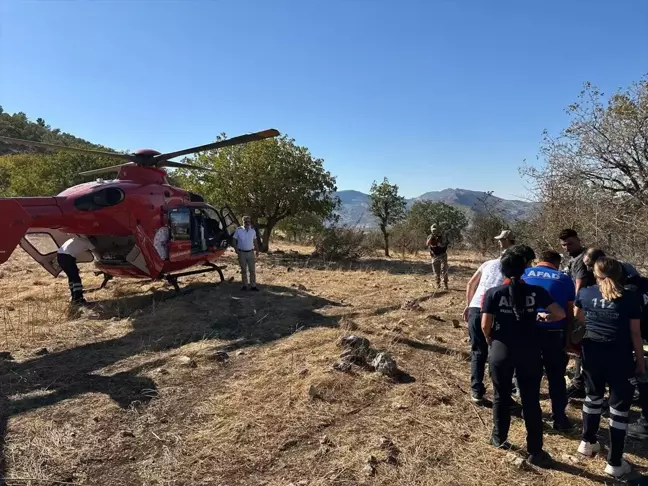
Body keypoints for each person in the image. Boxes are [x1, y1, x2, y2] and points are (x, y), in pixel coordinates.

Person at [481, 247, 565, 468]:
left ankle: (499, 438)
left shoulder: (493, 293)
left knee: (501, 396)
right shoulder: (536, 292)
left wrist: (491, 339)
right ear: (526, 269)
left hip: (501, 349)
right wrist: (542, 317)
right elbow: (561, 314)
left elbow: (485, 325)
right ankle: (535, 450)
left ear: (504, 270)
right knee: (531, 400)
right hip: (529, 351)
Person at [574, 257, 645, 478]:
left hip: (592, 353)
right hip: (619, 356)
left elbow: (578, 318)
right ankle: (614, 462)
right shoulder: (631, 297)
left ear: (595, 273)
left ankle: (587, 442)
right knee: (618, 408)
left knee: (592, 397)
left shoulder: (585, 293)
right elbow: (635, 334)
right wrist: (640, 363)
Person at [522, 249, 576, 431]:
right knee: (556, 377)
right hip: (554, 332)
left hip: (528, 332)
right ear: (557, 263)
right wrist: (569, 338)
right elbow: (569, 312)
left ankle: (530, 415)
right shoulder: (564, 278)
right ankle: (559, 418)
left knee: (530, 375)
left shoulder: (524, 272)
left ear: (539, 261)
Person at [463, 230, 517, 403]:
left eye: (502, 240)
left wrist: (469, 304)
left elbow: (471, 283)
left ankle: (476, 390)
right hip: (495, 310)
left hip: (476, 307)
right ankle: (502, 392)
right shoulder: (513, 268)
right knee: (498, 351)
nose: (500, 243)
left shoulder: (487, 263)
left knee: (478, 351)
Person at [560, 229, 593, 399]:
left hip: (582, 307)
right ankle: (580, 381)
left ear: (578, 240)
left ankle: (579, 384)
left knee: (579, 344)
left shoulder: (581, 259)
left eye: (570, 243)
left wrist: (574, 309)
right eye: (564, 244)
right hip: (580, 305)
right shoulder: (573, 258)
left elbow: (578, 285)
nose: (566, 247)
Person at [57, 235, 95, 305]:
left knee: (71, 277)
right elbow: (96, 251)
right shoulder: (88, 242)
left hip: (60, 255)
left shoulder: (76, 238)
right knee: (76, 279)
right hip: (67, 257)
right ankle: (79, 299)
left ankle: (74, 297)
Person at [233, 216, 260, 291]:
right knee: (243, 270)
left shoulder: (253, 231)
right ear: (243, 222)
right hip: (241, 253)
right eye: (245, 222)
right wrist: (236, 249)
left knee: (252, 270)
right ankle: (244, 285)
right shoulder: (238, 230)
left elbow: (255, 241)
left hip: (251, 252)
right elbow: (234, 240)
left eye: (248, 221)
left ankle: (253, 286)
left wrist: (257, 250)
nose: (247, 223)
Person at [426, 225, 449, 290]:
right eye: (433, 230)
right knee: (436, 272)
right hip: (434, 256)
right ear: (431, 230)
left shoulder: (442, 237)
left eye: (435, 230)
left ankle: (445, 284)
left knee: (444, 270)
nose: (434, 231)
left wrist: (438, 242)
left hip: (442, 256)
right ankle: (437, 284)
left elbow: (444, 245)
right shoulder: (430, 236)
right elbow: (427, 244)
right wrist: (431, 238)